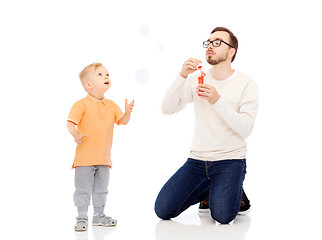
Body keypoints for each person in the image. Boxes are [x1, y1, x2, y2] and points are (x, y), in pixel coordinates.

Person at [154, 27, 258, 224]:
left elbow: (246, 128)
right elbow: (167, 108)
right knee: (163, 209)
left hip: (230, 160)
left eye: (217, 42)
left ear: (231, 51)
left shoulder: (246, 83)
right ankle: (211, 188)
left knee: (222, 216)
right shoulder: (196, 79)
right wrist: (182, 75)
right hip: (197, 161)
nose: (210, 45)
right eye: (209, 42)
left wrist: (217, 100)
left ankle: (236, 193)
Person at [67, 63, 134, 231]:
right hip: (84, 159)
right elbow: (70, 123)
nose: (106, 77)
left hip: (104, 159)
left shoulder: (111, 105)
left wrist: (127, 113)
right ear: (88, 85)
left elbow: (123, 122)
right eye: (100, 74)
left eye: (107, 74)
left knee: (101, 189)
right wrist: (76, 135)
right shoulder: (80, 104)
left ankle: (99, 215)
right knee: (82, 189)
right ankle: (81, 216)